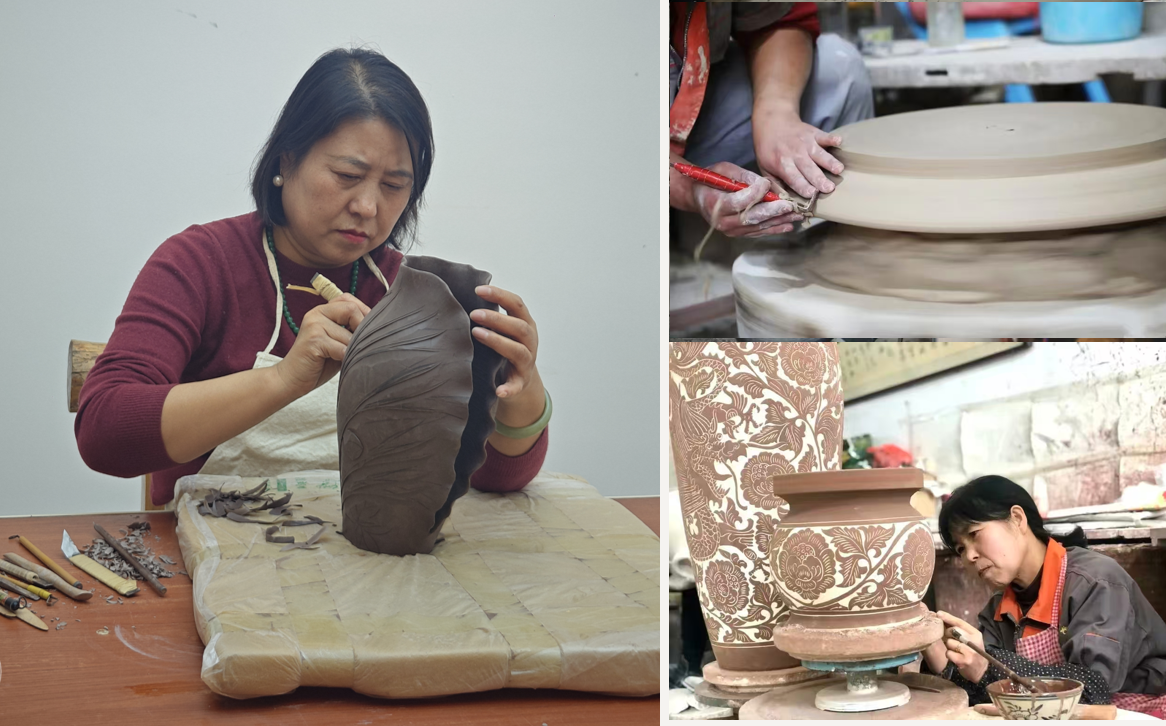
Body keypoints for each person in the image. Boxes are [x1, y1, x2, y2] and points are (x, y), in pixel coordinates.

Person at [76, 48, 550, 507]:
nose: (368, 207)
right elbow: (103, 434)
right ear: (286, 161)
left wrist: (520, 392)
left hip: (359, 560)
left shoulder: (409, 294)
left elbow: (495, 478)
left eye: (393, 186)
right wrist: (283, 379)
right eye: (348, 175)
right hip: (215, 563)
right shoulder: (199, 264)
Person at [927, 475, 1166, 717]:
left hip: (1141, 711)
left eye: (975, 534)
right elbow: (986, 695)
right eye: (960, 549)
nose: (969, 556)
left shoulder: (1095, 581)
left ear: (1018, 519)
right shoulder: (997, 612)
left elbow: (1093, 690)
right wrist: (942, 659)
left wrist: (988, 667)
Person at [668, 2, 874, 239]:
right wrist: (687, 190)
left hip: (688, 106)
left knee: (838, 67)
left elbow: (780, 18)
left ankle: (828, 241)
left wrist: (776, 114)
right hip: (625, 146)